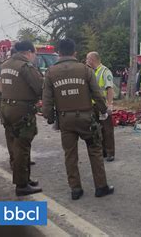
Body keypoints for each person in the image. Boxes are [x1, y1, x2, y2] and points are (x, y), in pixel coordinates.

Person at [42, 39, 114, 200]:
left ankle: (75, 189)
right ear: (74, 53)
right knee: (95, 151)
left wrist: (49, 117)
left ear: (59, 53)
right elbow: (97, 94)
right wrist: (104, 110)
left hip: (65, 119)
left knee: (70, 154)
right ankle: (101, 186)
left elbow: (47, 99)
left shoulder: (51, 72)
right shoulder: (85, 70)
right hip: (86, 118)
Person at [0, 41, 43, 196]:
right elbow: (39, 87)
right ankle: (22, 185)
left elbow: (0, 86)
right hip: (22, 111)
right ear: (29, 52)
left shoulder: (5, 64)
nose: (34, 57)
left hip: (6, 109)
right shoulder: (25, 66)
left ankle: (25, 178)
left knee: (14, 145)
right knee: (22, 147)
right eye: (34, 54)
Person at [86, 52, 116, 162]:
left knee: (107, 129)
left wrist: (109, 104)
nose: (86, 61)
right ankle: (102, 151)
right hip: (93, 105)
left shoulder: (105, 71)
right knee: (96, 129)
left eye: (87, 59)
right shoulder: (90, 72)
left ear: (92, 59)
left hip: (102, 104)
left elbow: (109, 89)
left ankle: (110, 152)